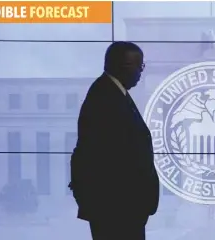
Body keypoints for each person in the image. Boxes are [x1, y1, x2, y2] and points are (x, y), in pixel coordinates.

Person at [68, 41, 160, 240]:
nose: (141, 72)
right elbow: (100, 156)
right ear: (125, 66)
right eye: (139, 66)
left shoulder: (112, 92)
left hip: (122, 207)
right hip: (117, 208)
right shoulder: (105, 97)